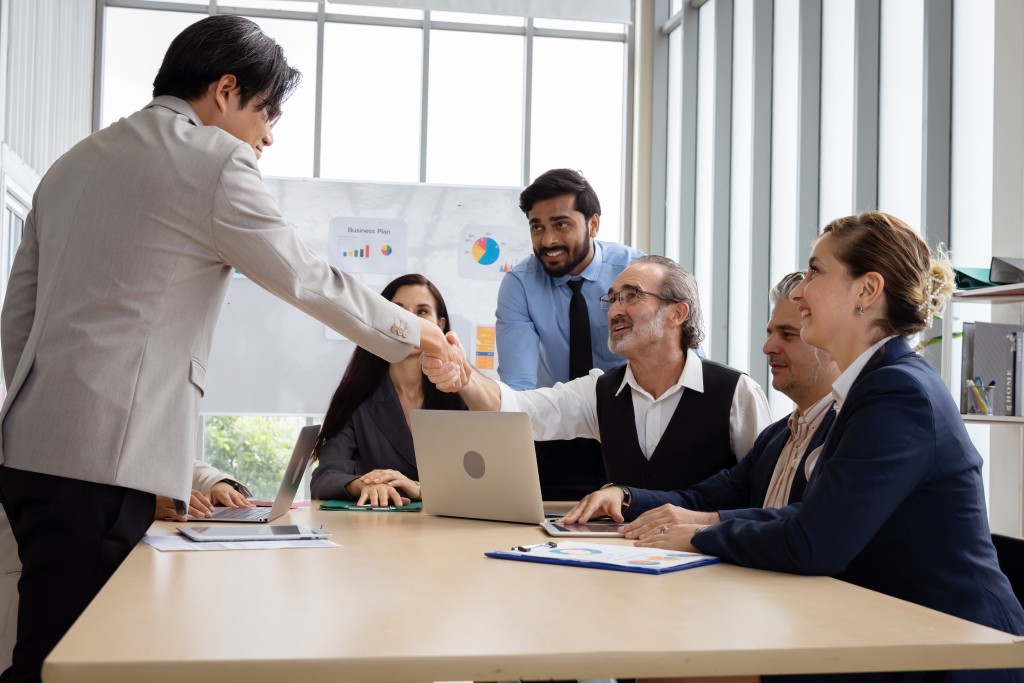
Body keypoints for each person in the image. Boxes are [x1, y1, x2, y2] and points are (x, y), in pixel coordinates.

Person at [0, 16, 460, 683]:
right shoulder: (213, 161)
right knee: (80, 663)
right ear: (224, 90)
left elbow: (19, 320)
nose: (267, 136)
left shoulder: (74, 161)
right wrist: (412, 330)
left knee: (48, 644)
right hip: (103, 467)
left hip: (31, 454)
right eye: (266, 114)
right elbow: (303, 275)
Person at [635, 212, 1024, 682]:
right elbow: (815, 517)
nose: (800, 293)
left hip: (948, 648)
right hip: (892, 629)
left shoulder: (897, 393)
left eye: (816, 271)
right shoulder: (872, 387)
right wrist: (703, 519)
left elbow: (814, 542)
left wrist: (696, 534)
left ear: (866, 291)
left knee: (677, 670)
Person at [425, 255, 772, 498]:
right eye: (613, 298)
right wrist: (466, 377)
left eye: (632, 296)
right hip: (621, 571)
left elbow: (766, 493)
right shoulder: (600, 391)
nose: (616, 309)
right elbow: (517, 410)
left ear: (677, 313)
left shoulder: (737, 393)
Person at [560, 271, 841, 528]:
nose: (767, 348)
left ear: (832, 341)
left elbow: (811, 524)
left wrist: (702, 527)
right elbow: (700, 500)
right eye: (770, 333)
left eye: (789, 335)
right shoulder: (777, 438)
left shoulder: (851, 429)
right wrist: (623, 496)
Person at [0, 459, 251, 669]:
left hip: (112, 578)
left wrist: (216, 482)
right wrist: (141, 504)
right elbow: (71, 491)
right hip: (50, 576)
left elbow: (158, 454)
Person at [496, 169, 645, 500]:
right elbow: (518, 387)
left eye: (560, 224)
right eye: (537, 227)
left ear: (593, 224)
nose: (547, 240)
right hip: (558, 430)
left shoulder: (637, 272)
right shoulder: (520, 284)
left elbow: (686, 359)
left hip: (634, 428)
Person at [310, 274, 466, 507]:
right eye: (397, 312)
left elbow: (481, 482)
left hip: (448, 533)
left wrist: (420, 489)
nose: (411, 324)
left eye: (422, 312)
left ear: (440, 325)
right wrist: (363, 484)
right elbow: (324, 479)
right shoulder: (355, 397)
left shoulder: (462, 397)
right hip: (374, 533)